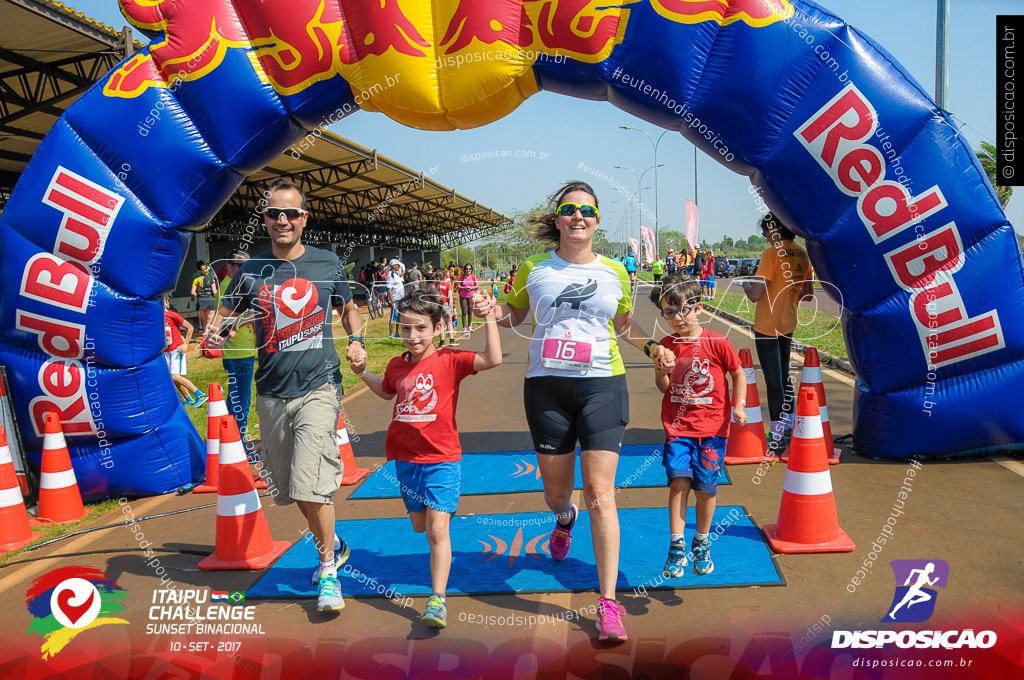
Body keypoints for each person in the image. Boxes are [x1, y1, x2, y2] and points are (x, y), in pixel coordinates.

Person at [483, 180, 670, 642]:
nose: (578, 217)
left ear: (597, 221)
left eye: (587, 211)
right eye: (569, 210)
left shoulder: (615, 272)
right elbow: (515, 317)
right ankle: (563, 518)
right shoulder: (533, 267)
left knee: (601, 495)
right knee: (556, 492)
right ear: (559, 220)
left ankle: (608, 604)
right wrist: (490, 310)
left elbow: (623, 326)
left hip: (603, 385)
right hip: (546, 388)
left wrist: (651, 346)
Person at [208, 178, 366, 613]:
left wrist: (357, 340)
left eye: (291, 213)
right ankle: (332, 540)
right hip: (270, 392)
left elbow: (348, 306)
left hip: (319, 386)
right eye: (275, 213)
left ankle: (328, 570)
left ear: (304, 219)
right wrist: (219, 329)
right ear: (265, 219)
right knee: (291, 490)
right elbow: (225, 313)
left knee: (310, 482)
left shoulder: (327, 262)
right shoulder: (251, 270)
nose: (283, 220)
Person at [350, 292, 501, 629]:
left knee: (437, 528)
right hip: (405, 460)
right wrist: (362, 373)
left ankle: (437, 600)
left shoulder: (451, 360)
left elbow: (493, 359)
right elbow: (387, 391)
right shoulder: (396, 365)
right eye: (405, 329)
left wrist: (489, 316)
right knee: (420, 525)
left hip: (442, 459)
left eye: (420, 328)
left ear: (438, 328)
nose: (413, 336)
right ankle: (436, 561)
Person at [649, 275, 746, 578]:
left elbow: (738, 373)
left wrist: (740, 405)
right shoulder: (665, 346)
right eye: (668, 312)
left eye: (684, 310)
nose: (677, 318)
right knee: (679, 483)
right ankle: (676, 546)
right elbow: (664, 387)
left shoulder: (718, 342)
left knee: (705, 489)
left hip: (714, 431)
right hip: (678, 430)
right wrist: (661, 370)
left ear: (699, 308)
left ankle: (701, 543)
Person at [741, 213, 814, 448]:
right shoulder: (803, 253)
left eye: (765, 233)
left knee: (773, 381)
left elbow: (755, 295)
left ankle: (777, 434)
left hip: (767, 325)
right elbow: (808, 294)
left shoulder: (771, 254)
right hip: (788, 322)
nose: (765, 238)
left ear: (773, 231)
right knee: (785, 377)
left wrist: (745, 283)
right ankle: (790, 426)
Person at [215, 250, 257, 439]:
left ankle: (228, 440)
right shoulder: (229, 286)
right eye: (240, 265)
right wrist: (257, 316)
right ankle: (239, 444)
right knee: (241, 402)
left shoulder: (239, 284)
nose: (244, 269)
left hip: (242, 351)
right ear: (229, 266)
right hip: (238, 353)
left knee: (236, 400)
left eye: (248, 265)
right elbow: (229, 317)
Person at [163, 295, 207, 407]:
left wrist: (186, 343)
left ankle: (200, 394)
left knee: (175, 376)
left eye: (162, 301)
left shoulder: (172, 315)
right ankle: (189, 399)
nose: (161, 304)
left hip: (176, 349)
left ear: (167, 302)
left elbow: (190, 327)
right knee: (173, 378)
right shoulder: (156, 317)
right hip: (165, 351)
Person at [190, 261, 218, 335]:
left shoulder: (196, 280)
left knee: (205, 321)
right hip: (210, 301)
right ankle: (206, 333)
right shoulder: (212, 279)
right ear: (207, 271)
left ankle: (205, 334)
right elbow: (214, 292)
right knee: (210, 321)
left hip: (200, 301)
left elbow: (192, 292)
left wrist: (199, 295)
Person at [386, 259, 407, 338]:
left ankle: (397, 333)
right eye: (398, 265)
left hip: (400, 299)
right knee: (393, 317)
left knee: (399, 317)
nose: (399, 267)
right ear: (393, 266)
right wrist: (392, 301)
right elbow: (389, 289)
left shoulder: (396, 275)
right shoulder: (390, 275)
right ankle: (391, 334)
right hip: (395, 299)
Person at [456, 263, 478, 336]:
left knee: (470, 311)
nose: (468, 270)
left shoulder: (473, 276)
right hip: (463, 296)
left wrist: (471, 288)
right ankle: (464, 327)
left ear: (471, 270)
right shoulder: (462, 277)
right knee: (464, 312)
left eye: (469, 269)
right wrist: (464, 288)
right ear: (464, 269)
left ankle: (469, 326)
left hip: (471, 296)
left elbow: (477, 286)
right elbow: (458, 285)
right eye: (466, 269)